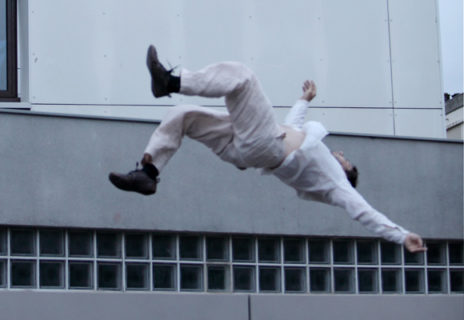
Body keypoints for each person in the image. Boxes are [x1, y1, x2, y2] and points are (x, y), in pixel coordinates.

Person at [109, 45, 427, 253]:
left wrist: (401, 236)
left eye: (345, 159)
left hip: (264, 147)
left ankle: (171, 82)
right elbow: (292, 124)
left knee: (243, 77)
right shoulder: (311, 147)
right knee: (182, 116)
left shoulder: (335, 183)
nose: (340, 155)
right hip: (246, 147)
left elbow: (363, 211)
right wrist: (304, 99)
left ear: (346, 171)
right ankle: (148, 173)